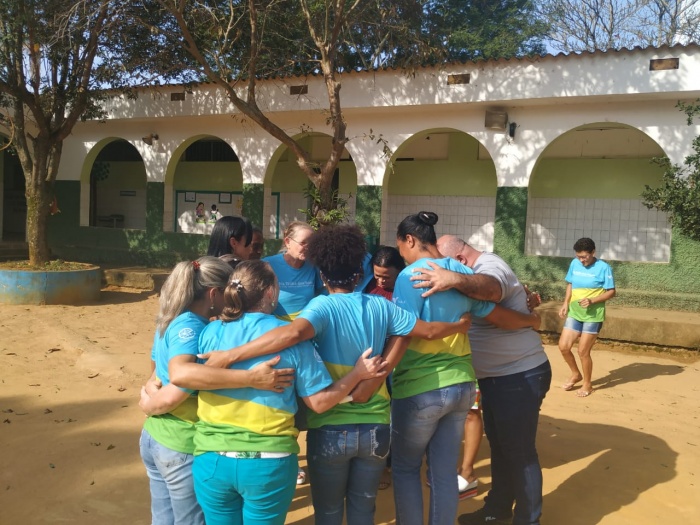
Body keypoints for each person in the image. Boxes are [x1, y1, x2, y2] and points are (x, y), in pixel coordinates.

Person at [198, 225, 472, 525]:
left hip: (329, 428)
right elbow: (423, 331)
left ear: (322, 275)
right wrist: (457, 327)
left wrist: (232, 355)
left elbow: (292, 334)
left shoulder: (319, 308)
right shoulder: (381, 305)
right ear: (359, 274)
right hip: (375, 426)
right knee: (363, 510)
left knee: (328, 512)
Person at [170, 260, 387, 525]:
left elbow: (186, 375)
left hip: (212, 461)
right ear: (271, 293)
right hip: (268, 464)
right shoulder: (291, 340)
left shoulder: (210, 332)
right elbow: (319, 403)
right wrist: (358, 374)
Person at [391, 213, 541, 525]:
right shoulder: (461, 271)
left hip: (419, 385)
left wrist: (383, 369)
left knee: (406, 468)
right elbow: (495, 313)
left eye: (400, 247)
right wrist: (531, 320)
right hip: (461, 386)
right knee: (444, 472)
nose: (401, 255)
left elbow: (404, 331)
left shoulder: (410, 276)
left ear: (410, 240)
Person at [139, 256, 293, 525]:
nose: (234, 297)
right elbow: (181, 378)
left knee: (163, 518)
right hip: (179, 440)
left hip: (156, 436)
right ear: (213, 294)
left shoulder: (172, 317)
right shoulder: (194, 327)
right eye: (228, 291)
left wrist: (148, 392)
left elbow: (156, 369)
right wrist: (251, 378)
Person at [558, 237, 616, 398]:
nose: (581, 260)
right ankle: (576, 374)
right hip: (574, 313)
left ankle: (587, 384)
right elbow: (570, 283)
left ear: (593, 252)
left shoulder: (604, 267)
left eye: (584, 257)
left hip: (593, 316)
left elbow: (612, 292)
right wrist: (565, 303)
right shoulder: (574, 263)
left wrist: (592, 301)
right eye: (579, 257)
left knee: (583, 351)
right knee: (563, 347)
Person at [263, 221, 322, 321]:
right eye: (303, 243)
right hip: (275, 327)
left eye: (311, 243)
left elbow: (321, 294)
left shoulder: (313, 265)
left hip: (305, 327)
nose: (308, 247)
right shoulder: (267, 265)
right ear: (288, 242)